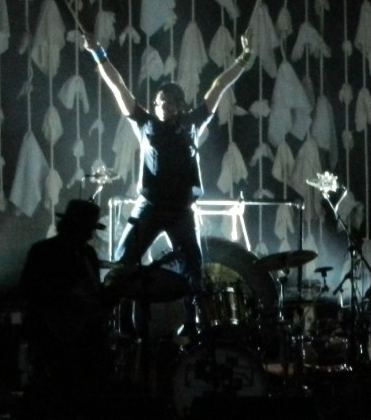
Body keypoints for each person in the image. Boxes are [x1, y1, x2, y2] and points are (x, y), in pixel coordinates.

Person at [83, 31, 255, 337]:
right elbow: (118, 86)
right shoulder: (145, 123)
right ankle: (117, 325)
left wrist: (243, 59)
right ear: (155, 104)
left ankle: (194, 325)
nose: (166, 107)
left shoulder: (191, 124)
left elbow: (218, 87)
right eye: (161, 102)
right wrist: (97, 52)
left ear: (180, 106)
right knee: (123, 264)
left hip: (181, 211)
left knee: (193, 268)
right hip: (149, 207)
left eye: (172, 103)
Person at [18, 198, 117, 418]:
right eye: (87, 229)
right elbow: (28, 290)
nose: (90, 235)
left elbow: (94, 297)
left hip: (82, 339)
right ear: (74, 227)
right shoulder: (44, 251)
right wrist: (66, 297)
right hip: (50, 337)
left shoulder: (88, 255)